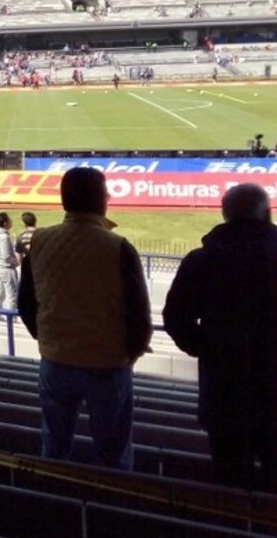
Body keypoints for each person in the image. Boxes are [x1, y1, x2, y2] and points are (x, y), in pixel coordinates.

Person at [19, 167, 152, 470]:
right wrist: (128, 355)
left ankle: (52, 500)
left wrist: (49, 340)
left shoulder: (39, 241)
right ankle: (112, 509)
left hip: (55, 362)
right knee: (114, 452)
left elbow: (25, 305)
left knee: (54, 446)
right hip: (108, 366)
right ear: (101, 200)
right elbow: (140, 316)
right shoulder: (118, 246)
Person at [163, 183, 277, 490]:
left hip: (225, 394)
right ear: (266, 213)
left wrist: (208, 348)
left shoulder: (203, 259)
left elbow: (175, 318)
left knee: (230, 484)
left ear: (225, 214)